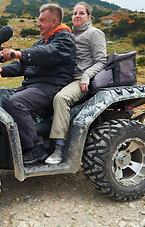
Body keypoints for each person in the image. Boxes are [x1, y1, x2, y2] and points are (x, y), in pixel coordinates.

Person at [0, 3, 76, 166]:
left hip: (52, 86)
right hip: (36, 86)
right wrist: (1, 70)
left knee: (16, 103)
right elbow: (24, 66)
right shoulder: (42, 42)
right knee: (1, 97)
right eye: (38, 20)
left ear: (54, 22)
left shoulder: (64, 39)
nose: (38, 24)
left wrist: (18, 53)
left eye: (42, 20)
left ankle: (35, 148)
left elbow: (49, 53)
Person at [45, 2, 107, 164]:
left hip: (81, 80)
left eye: (81, 13)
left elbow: (101, 61)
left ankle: (59, 147)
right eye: (74, 14)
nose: (77, 16)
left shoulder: (95, 33)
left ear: (88, 16)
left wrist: (86, 75)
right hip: (66, 78)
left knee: (61, 98)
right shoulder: (70, 35)